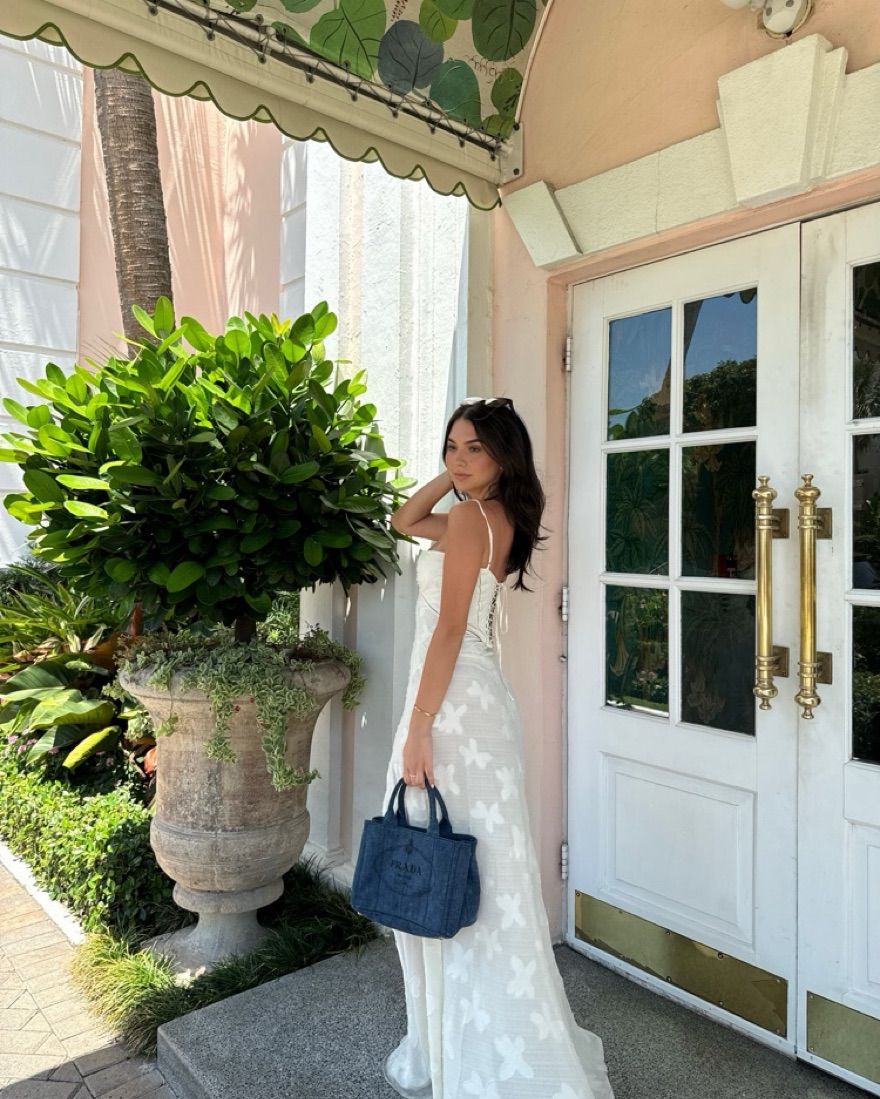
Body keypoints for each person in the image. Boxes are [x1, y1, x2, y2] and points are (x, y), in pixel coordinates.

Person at [383, 398, 614, 1099]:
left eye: (474, 448)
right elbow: (403, 521)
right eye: (451, 445)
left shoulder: (469, 520)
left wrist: (419, 725)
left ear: (504, 456)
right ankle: (489, 1032)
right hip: (478, 703)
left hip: (451, 707)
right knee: (482, 868)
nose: (458, 459)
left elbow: (450, 629)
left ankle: (473, 1045)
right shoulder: (495, 516)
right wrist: (456, 473)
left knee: (441, 862)